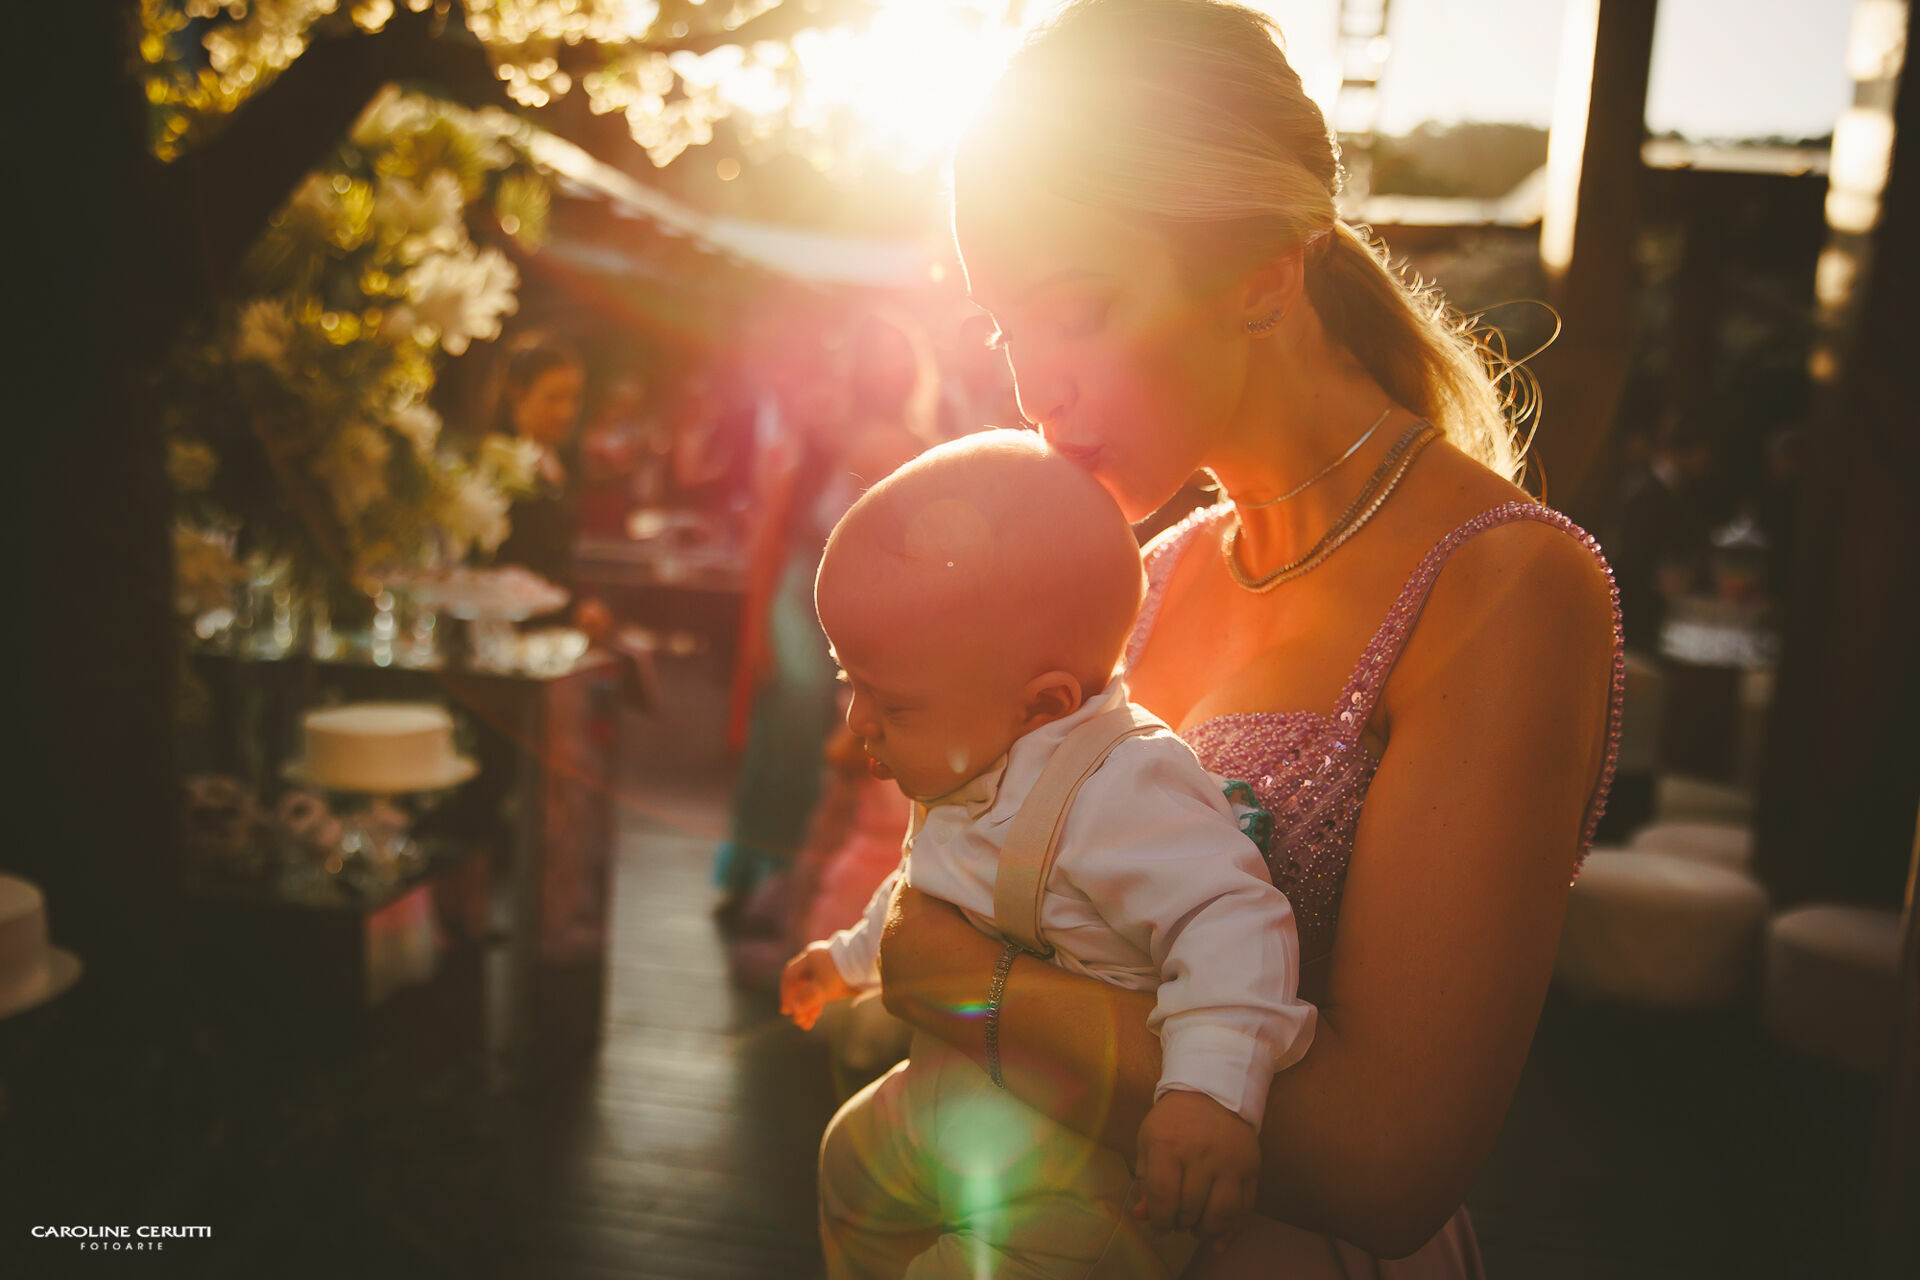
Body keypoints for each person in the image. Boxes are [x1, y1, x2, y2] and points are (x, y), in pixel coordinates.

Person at [870, 3, 1624, 1276]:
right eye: (1005, 327)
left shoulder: (1505, 585)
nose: (1029, 386)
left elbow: (1391, 1159)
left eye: (1077, 309)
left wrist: (970, 985)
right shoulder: (1145, 583)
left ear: (1268, 267)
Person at [782, 432, 1314, 1278]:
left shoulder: (1123, 789)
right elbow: (927, 883)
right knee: (848, 1161)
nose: (858, 724)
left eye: (894, 704)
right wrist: (847, 962)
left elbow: (1232, 920)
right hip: (954, 1104)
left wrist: (1208, 1093)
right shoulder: (981, 756)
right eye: (851, 681)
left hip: (1076, 1168)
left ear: (1046, 704)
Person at [713, 314, 938, 920]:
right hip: (799, 594)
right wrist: (758, 624)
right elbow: (777, 526)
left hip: (851, 611)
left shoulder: (919, 444)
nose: (890, 368)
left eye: (899, 355)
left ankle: (793, 882)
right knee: (791, 710)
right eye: (878, 356)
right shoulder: (833, 429)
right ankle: (759, 871)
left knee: (825, 732)